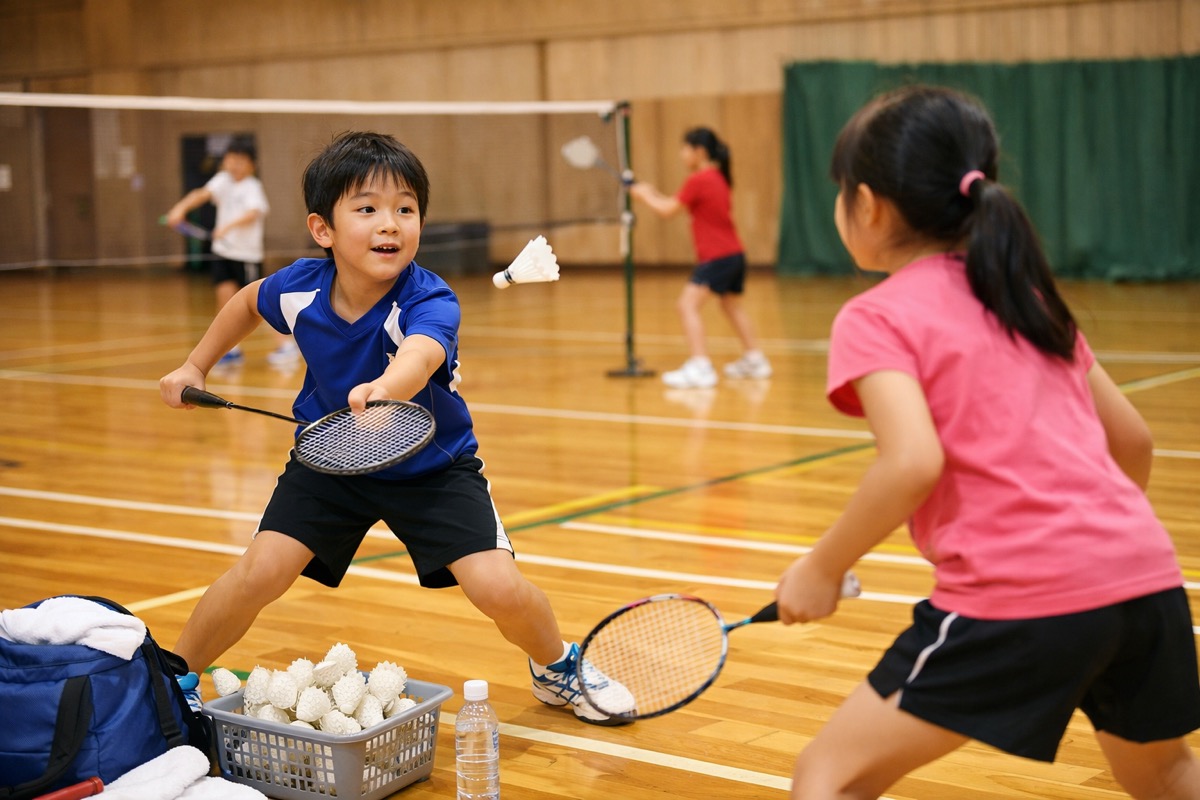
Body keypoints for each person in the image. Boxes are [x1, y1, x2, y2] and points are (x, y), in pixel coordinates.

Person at [774, 85, 1200, 799]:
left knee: (828, 777)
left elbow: (912, 461)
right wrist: (1095, 542)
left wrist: (821, 567)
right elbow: (1134, 441)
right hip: (1146, 582)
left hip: (1019, 599)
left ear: (869, 205)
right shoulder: (1023, 295)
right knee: (1165, 774)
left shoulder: (874, 317)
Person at [158, 131, 634, 726]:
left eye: (405, 209)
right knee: (260, 570)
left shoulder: (429, 297)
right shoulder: (301, 288)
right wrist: (194, 365)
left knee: (498, 589)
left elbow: (422, 353)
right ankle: (176, 675)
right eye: (367, 209)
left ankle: (557, 665)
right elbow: (248, 303)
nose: (390, 224)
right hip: (329, 459)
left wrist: (385, 391)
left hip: (432, 464)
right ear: (322, 229)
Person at [628, 127, 770, 389]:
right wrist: (650, 192)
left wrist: (645, 196)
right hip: (734, 254)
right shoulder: (717, 177)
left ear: (699, 151)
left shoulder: (698, 180)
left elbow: (668, 211)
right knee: (730, 306)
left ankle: (701, 366)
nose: (682, 155)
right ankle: (755, 359)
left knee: (686, 306)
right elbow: (676, 202)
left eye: (685, 149)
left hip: (716, 257)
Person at [165, 139, 298, 367]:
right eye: (231, 159)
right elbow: (201, 194)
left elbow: (254, 212)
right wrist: (180, 208)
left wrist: (227, 227)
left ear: (251, 165)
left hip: (246, 256)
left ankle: (286, 346)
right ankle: (232, 349)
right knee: (226, 303)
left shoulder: (252, 187)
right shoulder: (222, 181)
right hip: (222, 253)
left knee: (261, 304)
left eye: (241, 160)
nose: (235, 165)